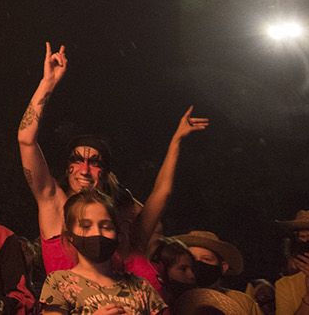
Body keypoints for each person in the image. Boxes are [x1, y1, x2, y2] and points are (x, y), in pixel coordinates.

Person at [18, 44, 203, 288]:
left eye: (94, 163)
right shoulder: (54, 203)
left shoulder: (120, 226)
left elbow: (162, 193)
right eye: (77, 160)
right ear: (68, 168)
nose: (85, 170)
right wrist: (47, 83)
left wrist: (176, 141)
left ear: (105, 173)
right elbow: (26, 140)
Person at [36, 190, 166, 315]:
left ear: (118, 235)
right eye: (86, 226)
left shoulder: (141, 287)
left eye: (106, 227)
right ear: (70, 235)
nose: (97, 233)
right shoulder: (59, 283)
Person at [163, 231, 263, 315]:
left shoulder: (242, 301)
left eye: (206, 259)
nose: (198, 264)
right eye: (192, 259)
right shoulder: (170, 300)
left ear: (223, 267)